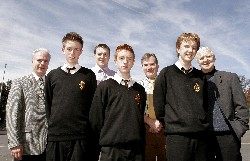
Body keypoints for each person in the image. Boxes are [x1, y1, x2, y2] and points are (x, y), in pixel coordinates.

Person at [154, 33, 210, 161]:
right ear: (178, 49)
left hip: (201, 137)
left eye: (194, 47)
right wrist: (172, 124)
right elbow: (159, 104)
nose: (190, 50)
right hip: (177, 137)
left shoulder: (200, 77)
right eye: (186, 46)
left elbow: (206, 105)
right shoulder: (166, 73)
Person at [44, 32, 98, 161]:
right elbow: (48, 105)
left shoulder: (89, 75)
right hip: (56, 137)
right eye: (69, 49)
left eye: (76, 49)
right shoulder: (52, 75)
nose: (72, 53)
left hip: (80, 138)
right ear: (63, 50)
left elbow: (92, 107)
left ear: (81, 51)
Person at [89, 44, 147, 161]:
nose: (125, 61)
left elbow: (139, 117)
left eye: (129, 58)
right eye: (121, 58)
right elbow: (95, 120)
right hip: (111, 151)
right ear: (115, 61)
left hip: (136, 151)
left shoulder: (139, 90)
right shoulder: (105, 86)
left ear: (133, 62)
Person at [196, 46, 249, 161]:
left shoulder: (229, 78)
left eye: (208, 56)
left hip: (228, 135)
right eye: (202, 58)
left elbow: (242, 107)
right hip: (204, 136)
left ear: (214, 59)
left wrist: (239, 128)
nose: (205, 60)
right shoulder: (193, 81)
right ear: (198, 62)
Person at [6, 48, 51, 161]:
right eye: (39, 60)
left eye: (45, 61)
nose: (42, 64)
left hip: (50, 146)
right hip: (27, 146)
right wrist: (14, 143)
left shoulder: (52, 84)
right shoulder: (20, 82)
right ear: (32, 61)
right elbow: (12, 113)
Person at [138, 53, 166, 161]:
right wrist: (149, 121)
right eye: (145, 65)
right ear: (142, 68)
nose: (149, 68)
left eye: (152, 64)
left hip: (164, 130)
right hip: (146, 130)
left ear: (157, 66)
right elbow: (136, 110)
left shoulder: (166, 84)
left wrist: (160, 122)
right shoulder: (138, 86)